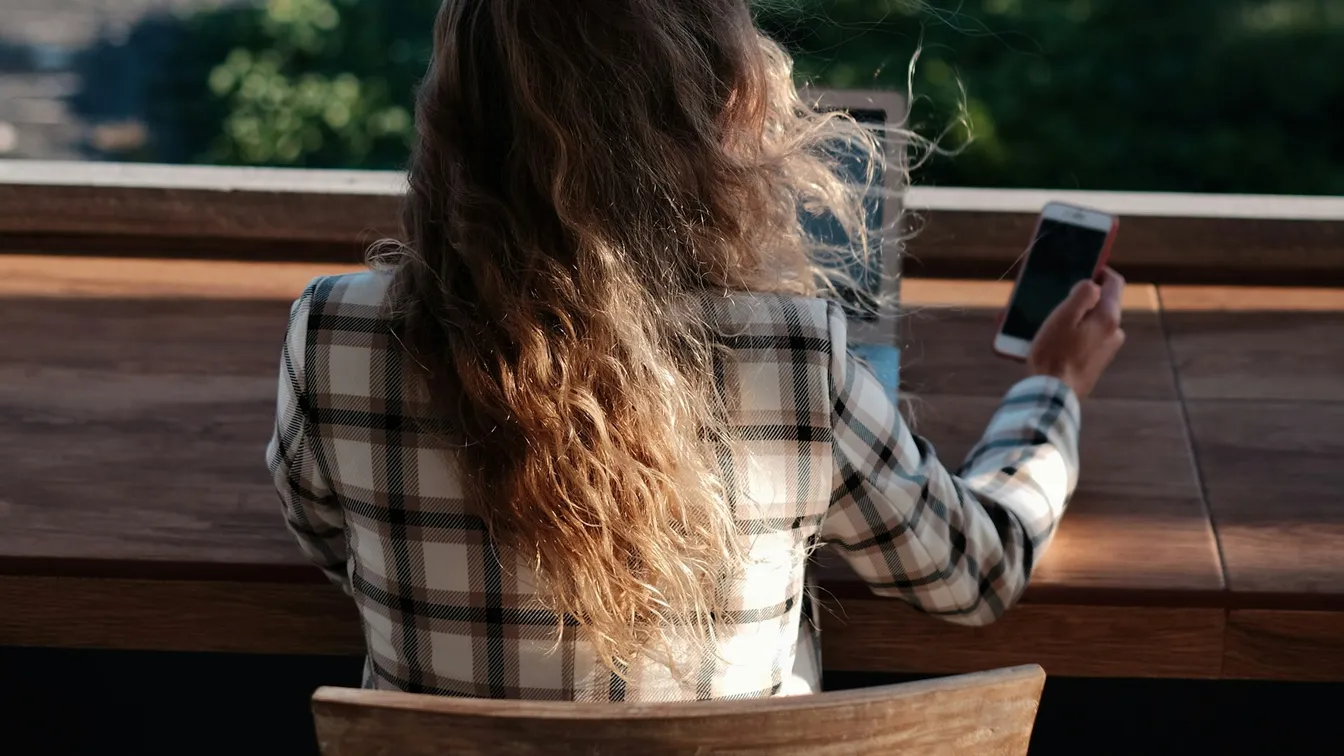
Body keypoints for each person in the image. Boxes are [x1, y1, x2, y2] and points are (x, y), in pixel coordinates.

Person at [266, 0, 1126, 703]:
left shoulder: (336, 333)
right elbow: (977, 571)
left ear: (454, 109)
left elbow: (324, 537)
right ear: (715, 116)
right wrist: (1052, 388)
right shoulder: (793, 359)